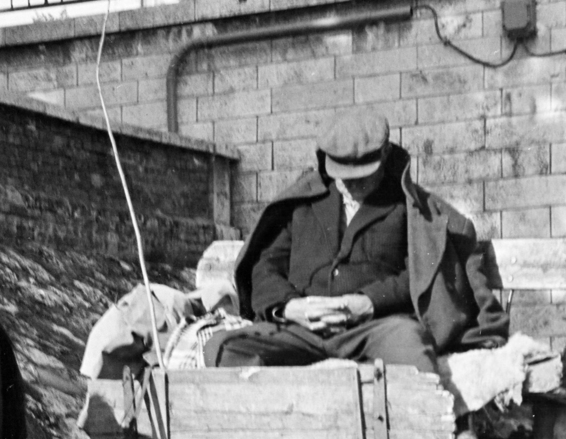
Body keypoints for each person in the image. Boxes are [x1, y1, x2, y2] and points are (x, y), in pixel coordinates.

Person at [208, 108, 508, 373]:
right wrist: (288, 308)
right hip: (300, 330)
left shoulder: (406, 209)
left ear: (385, 156)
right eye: (343, 177)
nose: (352, 186)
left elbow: (419, 275)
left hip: (375, 328)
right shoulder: (302, 205)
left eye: (363, 177)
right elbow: (265, 267)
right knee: (222, 349)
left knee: (413, 352)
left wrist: (368, 303)